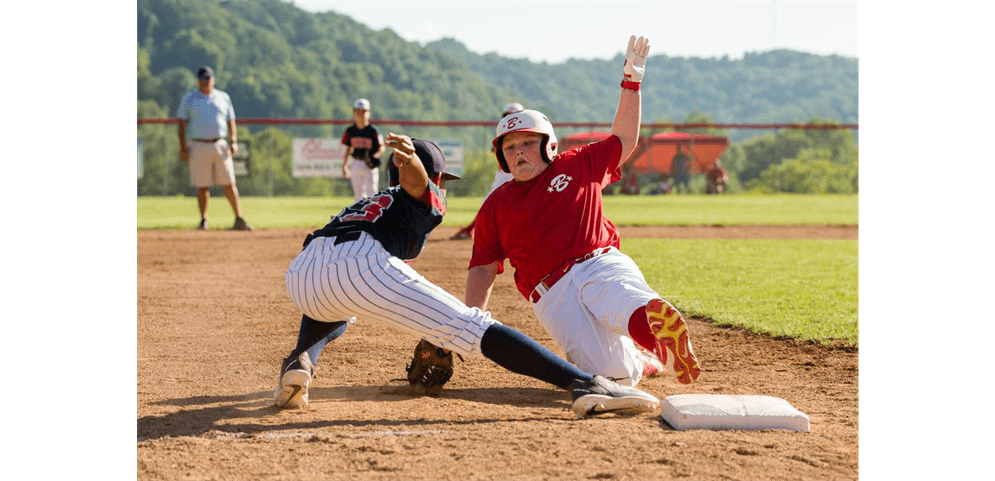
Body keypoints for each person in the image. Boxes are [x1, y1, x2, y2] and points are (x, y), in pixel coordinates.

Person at [273, 134, 661, 419]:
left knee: (332, 304)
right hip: (360, 262)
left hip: (303, 270)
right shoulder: (419, 195)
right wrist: (412, 165)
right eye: (442, 179)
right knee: (470, 326)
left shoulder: (365, 202)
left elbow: (332, 268)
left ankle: (300, 360)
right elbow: (416, 185)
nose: (443, 187)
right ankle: (585, 385)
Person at [465, 35, 702, 388]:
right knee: (613, 378)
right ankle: (642, 362)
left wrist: (632, 83)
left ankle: (658, 336)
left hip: (597, 263)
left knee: (619, 297)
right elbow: (483, 268)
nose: (519, 152)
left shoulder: (577, 163)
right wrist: (467, 320)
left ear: (549, 145)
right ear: (501, 156)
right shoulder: (496, 205)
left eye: (528, 142)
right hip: (551, 294)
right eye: (510, 147)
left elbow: (623, 140)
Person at [176, 66, 251, 231]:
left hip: (220, 144)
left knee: (229, 183)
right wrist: (182, 146)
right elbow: (181, 123)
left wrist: (233, 141)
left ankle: (239, 218)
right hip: (198, 144)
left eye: (208, 78)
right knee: (202, 185)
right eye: (203, 79)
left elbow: (231, 121)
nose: (206, 82)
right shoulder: (189, 98)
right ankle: (204, 220)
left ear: (213, 79)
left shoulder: (223, 97)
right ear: (198, 81)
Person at [451, 102, 523, 240]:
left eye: (513, 115)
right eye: (507, 115)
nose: (509, 118)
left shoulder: (522, 132)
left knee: (495, 202)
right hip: (504, 173)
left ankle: (470, 230)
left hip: (514, 172)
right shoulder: (504, 131)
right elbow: (494, 149)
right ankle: (471, 230)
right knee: (491, 203)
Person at [341, 98, 385, 201]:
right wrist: (345, 165)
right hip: (356, 162)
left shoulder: (373, 130)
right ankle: (360, 212)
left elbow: (382, 147)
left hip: (370, 164)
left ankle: (372, 211)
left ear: (369, 113)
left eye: (363, 111)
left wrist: (375, 156)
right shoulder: (350, 131)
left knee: (372, 194)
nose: (361, 114)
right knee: (358, 195)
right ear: (354, 112)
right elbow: (348, 149)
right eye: (358, 111)